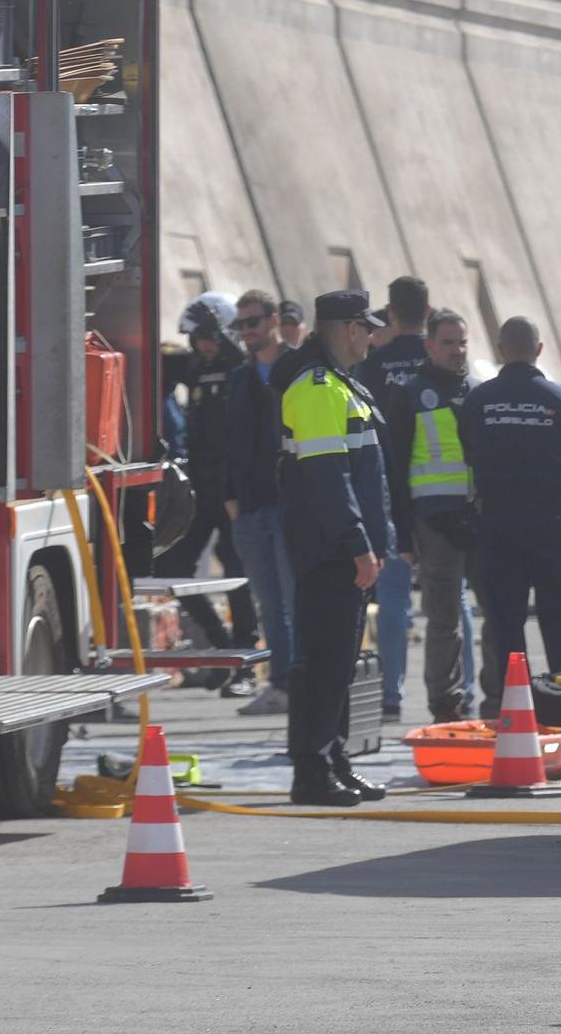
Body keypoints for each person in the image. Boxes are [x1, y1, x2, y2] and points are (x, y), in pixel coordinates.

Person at [274, 290, 395, 806]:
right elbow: (329, 478)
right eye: (366, 327)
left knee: (339, 660)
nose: (372, 336)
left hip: (339, 548)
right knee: (324, 660)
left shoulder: (340, 386)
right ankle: (312, 770)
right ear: (347, 329)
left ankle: (334, 759)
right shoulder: (319, 389)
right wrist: (358, 543)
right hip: (330, 549)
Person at [458, 316, 561, 714]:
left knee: (505, 623)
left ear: (500, 350)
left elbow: (469, 453)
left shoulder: (479, 401)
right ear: (539, 350)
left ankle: (514, 709)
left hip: (497, 525)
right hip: (550, 526)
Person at [153, 294, 260, 696]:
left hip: (235, 490)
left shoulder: (245, 371)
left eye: (209, 337)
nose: (204, 346)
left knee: (238, 574)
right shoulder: (194, 366)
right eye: (198, 339)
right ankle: (222, 647)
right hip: (199, 490)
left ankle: (246, 663)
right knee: (171, 569)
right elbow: (156, 363)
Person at [385, 309, 480, 722]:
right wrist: (405, 537)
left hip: (477, 518)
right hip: (434, 521)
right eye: (448, 342)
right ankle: (445, 703)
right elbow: (396, 470)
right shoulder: (410, 394)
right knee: (443, 619)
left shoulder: (478, 392)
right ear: (428, 346)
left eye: (462, 342)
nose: (457, 350)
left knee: (482, 616)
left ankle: (487, 700)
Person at [358, 276, 432, 721]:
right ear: (427, 310)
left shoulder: (373, 364)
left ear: (391, 312)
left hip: (386, 490)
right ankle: (456, 690)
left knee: (392, 597)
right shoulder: (440, 357)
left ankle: (391, 696)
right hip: (439, 496)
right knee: (449, 596)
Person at [224, 289, 298, 717]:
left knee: (296, 600)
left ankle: (305, 683)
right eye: (241, 325)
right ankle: (282, 687)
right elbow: (228, 444)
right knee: (269, 604)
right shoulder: (240, 378)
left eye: (252, 322)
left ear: (272, 320)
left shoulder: (298, 370)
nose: (246, 332)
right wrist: (230, 497)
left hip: (290, 505)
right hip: (250, 509)